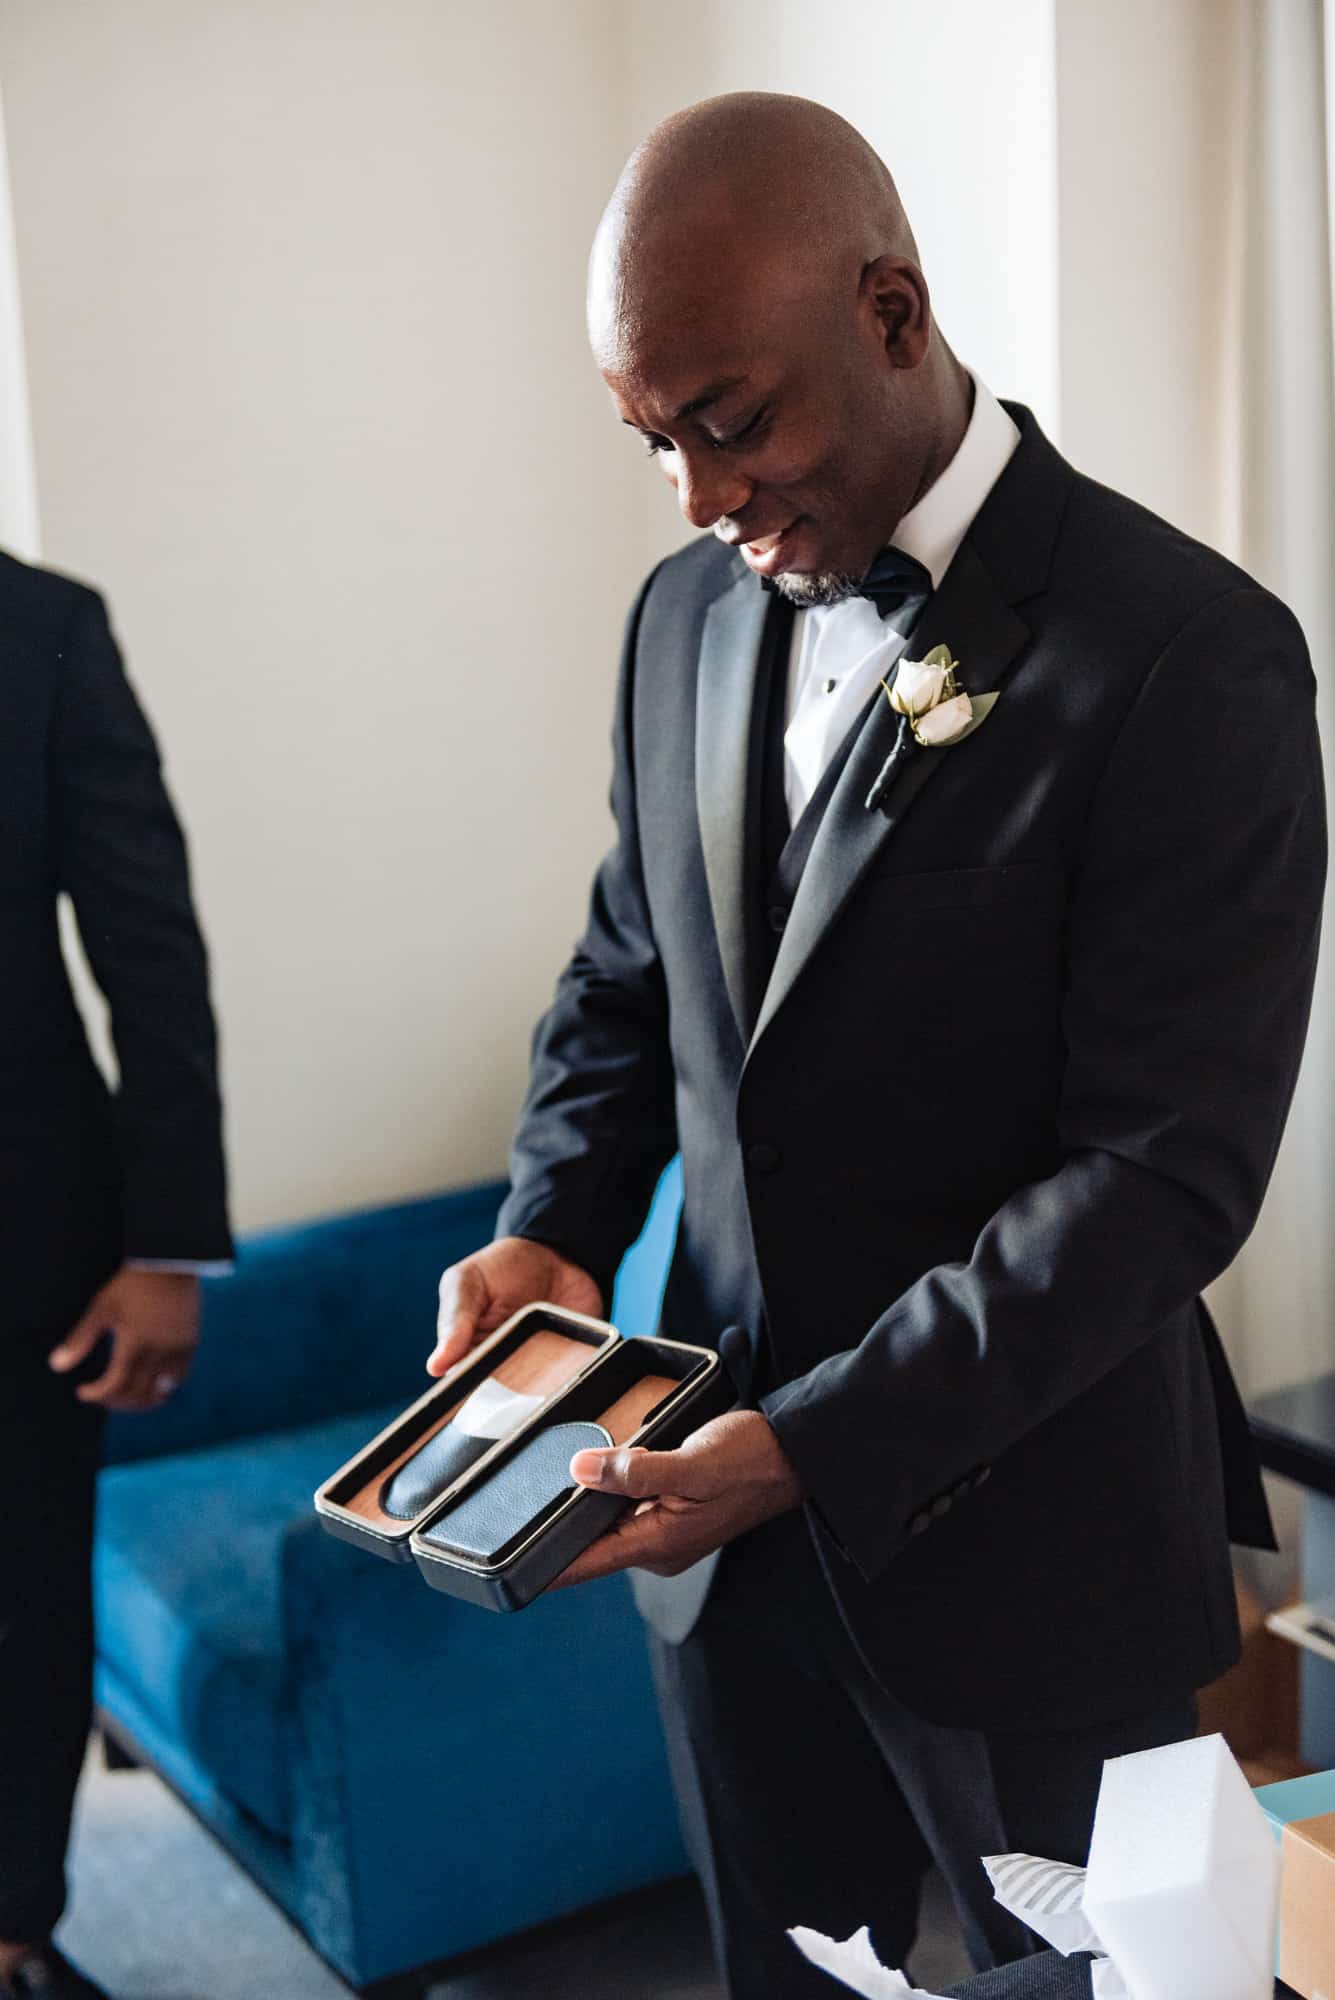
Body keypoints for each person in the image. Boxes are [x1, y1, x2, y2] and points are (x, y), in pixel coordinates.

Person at [432, 93, 1325, 1997]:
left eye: (730, 421)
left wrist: (816, 1446)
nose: (693, 495)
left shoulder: (1193, 656)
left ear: (895, 311)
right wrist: (551, 1222)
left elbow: (1162, 1179)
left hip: (1034, 1557)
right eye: (651, 440)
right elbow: (625, 976)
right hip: (709, 1556)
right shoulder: (679, 620)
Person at [1, 551, 231, 2000]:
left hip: (29, 1242)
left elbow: (149, 953)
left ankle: (15, 1925)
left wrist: (165, 1249)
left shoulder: (42, 635)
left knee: (20, 1597)